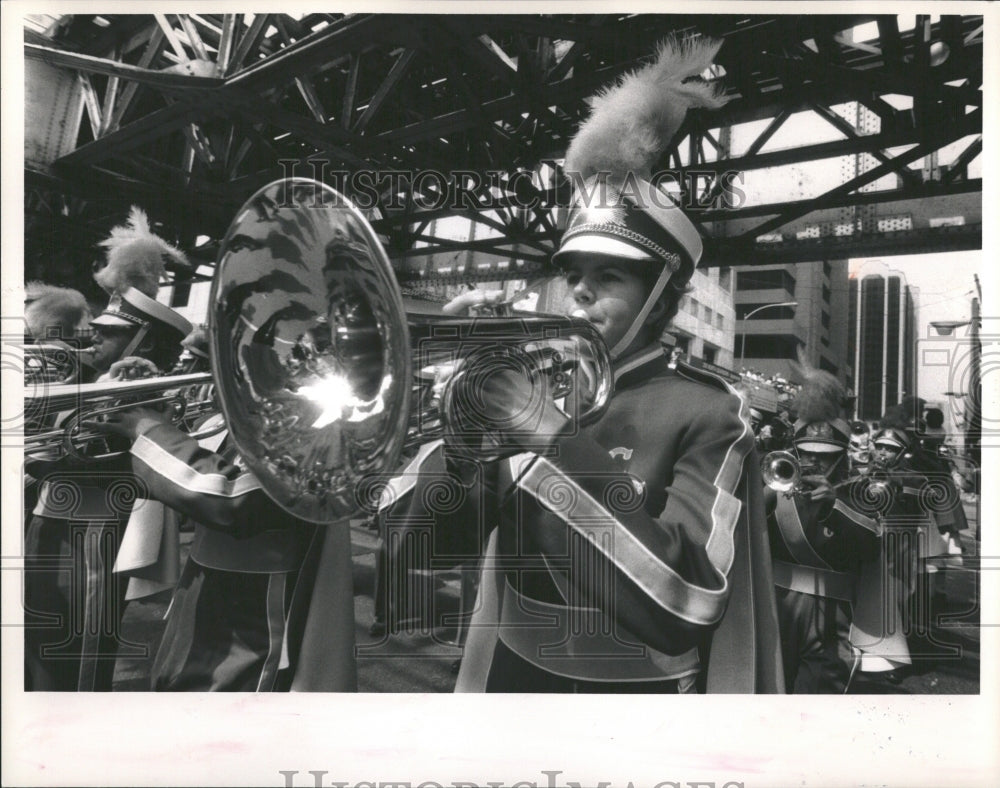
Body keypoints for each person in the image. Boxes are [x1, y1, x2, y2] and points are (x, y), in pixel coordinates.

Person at [378, 36, 783, 693]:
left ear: (663, 297)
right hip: (508, 679)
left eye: (610, 275)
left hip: (632, 701)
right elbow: (415, 550)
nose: (582, 290)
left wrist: (549, 435)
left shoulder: (710, 411)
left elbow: (687, 599)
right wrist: (460, 443)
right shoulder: (533, 384)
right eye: (574, 273)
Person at [24, 285, 190, 690]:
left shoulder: (145, 391)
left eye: (110, 331)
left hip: (91, 535)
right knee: (31, 642)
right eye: (97, 326)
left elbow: (100, 464)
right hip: (46, 522)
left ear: (143, 340)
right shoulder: (83, 375)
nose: (93, 334)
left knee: (74, 653)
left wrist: (106, 393)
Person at [762, 369, 884, 693]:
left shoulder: (859, 491)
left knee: (818, 696)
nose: (815, 462)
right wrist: (762, 497)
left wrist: (835, 507)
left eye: (825, 456)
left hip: (832, 611)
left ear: (842, 455)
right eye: (808, 454)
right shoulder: (774, 485)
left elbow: (873, 545)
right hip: (775, 604)